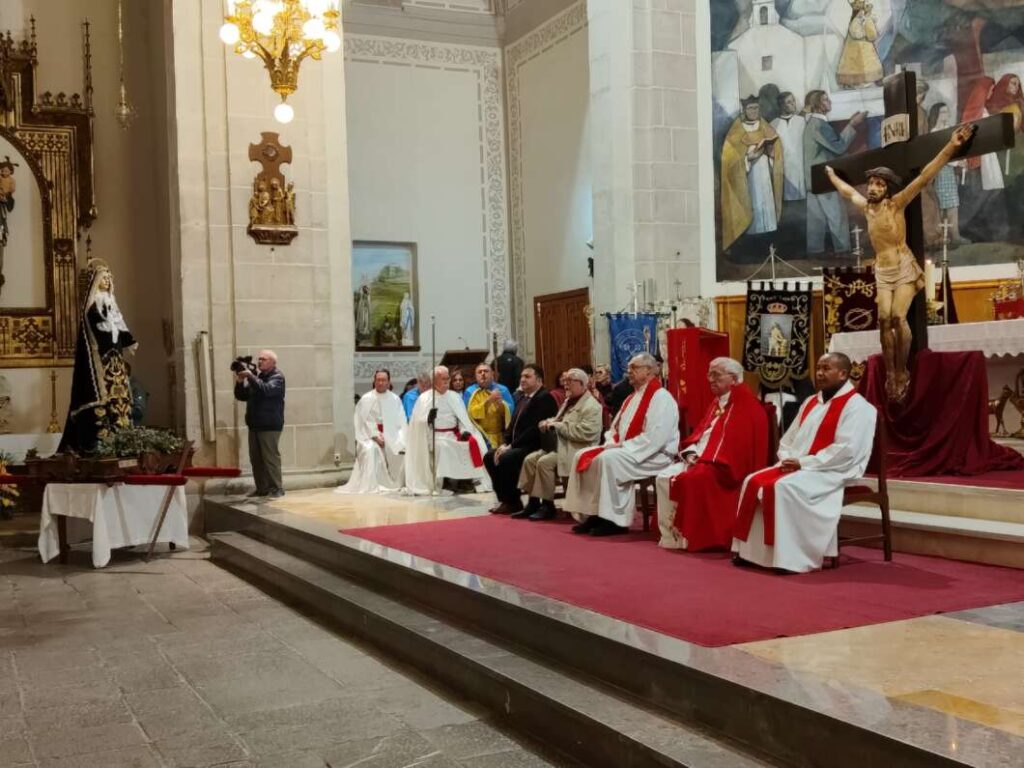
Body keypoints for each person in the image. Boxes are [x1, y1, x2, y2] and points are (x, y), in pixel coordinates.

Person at [824, 123, 974, 400]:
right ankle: (891, 371)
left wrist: (952, 146)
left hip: (904, 268)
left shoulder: (898, 203)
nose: (872, 187)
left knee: (896, 317)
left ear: (888, 189)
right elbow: (846, 191)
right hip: (882, 270)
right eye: (871, 183)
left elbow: (926, 175)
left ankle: (901, 370)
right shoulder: (867, 209)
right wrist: (831, 175)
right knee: (883, 320)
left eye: (879, 184)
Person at [732, 353, 876, 573]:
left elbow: (846, 450)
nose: (819, 373)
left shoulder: (859, 407)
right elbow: (789, 438)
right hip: (799, 465)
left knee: (784, 488)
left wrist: (804, 463)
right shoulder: (811, 401)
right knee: (751, 480)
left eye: (826, 368)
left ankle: (791, 559)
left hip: (832, 470)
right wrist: (787, 457)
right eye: (818, 368)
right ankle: (752, 554)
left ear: (843, 373)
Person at [655, 358, 768, 551]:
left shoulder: (746, 405)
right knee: (664, 476)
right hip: (704, 459)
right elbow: (701, 433)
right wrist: (691, 454)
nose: (710, 379)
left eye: (716, 374)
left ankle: (697, 538)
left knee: (694, 478)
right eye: (709, 374)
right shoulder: (718, 403)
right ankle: (672, 537)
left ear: (733, 379)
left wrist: (705, 460)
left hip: (725, 469)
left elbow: (739, 449)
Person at [564, 353, 679, 536]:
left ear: (648, 371)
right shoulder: (631, 398)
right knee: (583, 455)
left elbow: (656, 437)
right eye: (630, 367)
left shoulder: (661, 398)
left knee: (609, 459)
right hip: (629, 449)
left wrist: (621, 447)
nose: (629, 371)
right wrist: (611, 442)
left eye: (634, 368)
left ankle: (614, 520)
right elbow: (614, 429)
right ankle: (593, 514)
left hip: (654, 455)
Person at [59, 259, 138, 454]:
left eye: (110, 278)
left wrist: (129, 342)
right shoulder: (93, 306)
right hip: (100, 358)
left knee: (119, 397)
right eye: (104, 278)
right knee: (102, 397)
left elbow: (120, 326)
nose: (108, 281)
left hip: (115, 358)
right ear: (96, 282)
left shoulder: (112, 304)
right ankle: (99, 442)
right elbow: (96, 327)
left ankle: (122, 439)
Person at [517, 368, 603, 521]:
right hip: (561, 445)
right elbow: (560, 420)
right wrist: (549, 421)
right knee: (530, 459)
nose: (566, 384)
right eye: (565, 381)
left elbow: (586, 433)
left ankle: (548, 505)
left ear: (583, 384)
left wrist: (557, 426)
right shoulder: (568, 401)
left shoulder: (592, 406)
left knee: (544, 462)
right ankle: (533, 502)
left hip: (578, 449)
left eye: (570, 381)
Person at [484, 364, 558, 515]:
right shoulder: (522, 397)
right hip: (517, 445)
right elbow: (511, 425)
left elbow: (533, 430)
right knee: (489, 456)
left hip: (535, 445)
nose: (522, 380)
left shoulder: (545, 398)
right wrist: (505, 443)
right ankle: (507, 500)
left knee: (506, 458)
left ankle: (513, 500)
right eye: (522, 377)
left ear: (538, 380)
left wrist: (511, 446)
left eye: (527, 376)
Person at [404, 366, 491, 495]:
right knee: (443, 446)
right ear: (434, 381)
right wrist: (428, 419)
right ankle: (446, 482)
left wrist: (464, 431)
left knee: (474, 442)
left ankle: (467, 481)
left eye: (447, 378)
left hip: (454, 433)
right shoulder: (425, 398)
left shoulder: (455, 396)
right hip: (434, 436)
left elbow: (462, 419)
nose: (447, 381)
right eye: (443, 379)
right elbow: (416, 423)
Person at [803, 90, 866, 254]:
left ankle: (814, 255)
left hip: (812, 179)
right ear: (817, 105)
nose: (829, 101)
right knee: (837, 217)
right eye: (825, 100)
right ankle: (843, 252)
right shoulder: (819, 124)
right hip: (823, 179)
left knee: (815, 223)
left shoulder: (811, 124)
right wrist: (852, 124)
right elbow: (839, 147)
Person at [720, 96, 785, 250]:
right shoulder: (736, 130)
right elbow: (729, 159)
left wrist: (771, 153)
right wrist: (747, 159)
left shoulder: (766, 127)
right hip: (747, 177)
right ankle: (750, 247)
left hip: (764, 174)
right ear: (744, 110)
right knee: (752, 205)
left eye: (756, 108)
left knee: (766, 208)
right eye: (750, 108)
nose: (754, 111)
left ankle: (767, 245)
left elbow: (777, 152)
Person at [336, 369, 406, 494]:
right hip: (369, 436)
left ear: (389, 382)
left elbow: (401, 422)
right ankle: (371, 485)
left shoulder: (395, 399)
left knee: (402, 448)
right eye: (378, 380)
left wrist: (397, 438)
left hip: (392, 434)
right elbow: (363, 422)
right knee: (371, 450)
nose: (380, 383)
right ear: (374, 381)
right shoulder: (366, 399)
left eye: (383, 380)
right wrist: (375, 436)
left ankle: (397, 483)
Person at [233, 350, 286, 498]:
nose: (260, 361)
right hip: (255, 424)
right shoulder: (258, 378)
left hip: (269, 425)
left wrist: (250, 376)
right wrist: (239, 381)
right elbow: (241, 396)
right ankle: (262, 489)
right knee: (256, 459)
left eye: (264, 359)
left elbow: (266, 390)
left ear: (273, 363)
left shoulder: (277, 377)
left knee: (270, 459)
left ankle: (276, 488)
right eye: (259, 359)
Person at [464, 363, 515, 448]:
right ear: (475, 376)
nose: (483, 374)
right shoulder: (470, 392)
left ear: (492, 374)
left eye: (486, 371)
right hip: (480, 436)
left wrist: (502, 406)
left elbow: (512, 411)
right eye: (479, 372)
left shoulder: (502, 390)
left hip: (501, 436)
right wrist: (489, 400)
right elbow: (470, 414)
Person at [836, 1, 883, 88]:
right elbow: (856, 33)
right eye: (861, 11)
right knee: (855, 66)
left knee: (869, 64)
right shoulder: (855, 21)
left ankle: (870, 81)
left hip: (866, 48)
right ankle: (854, 83)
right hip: (854, 49)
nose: (862, 13)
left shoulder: (866, 20)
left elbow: (872, 35)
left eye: (863, 11)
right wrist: (864, 30)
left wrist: (867, 24)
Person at [771, 92, 806, 201]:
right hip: (784, 167)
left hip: (801, 165)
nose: (793, 104)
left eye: (793, 101)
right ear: (781, 105)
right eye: (789, 102)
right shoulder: (773, 124)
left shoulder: (802, 121)